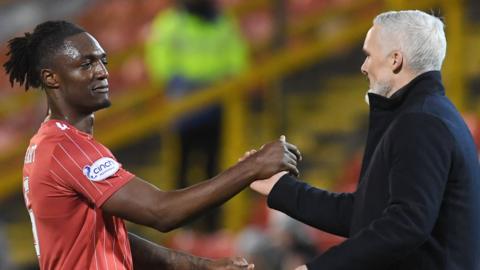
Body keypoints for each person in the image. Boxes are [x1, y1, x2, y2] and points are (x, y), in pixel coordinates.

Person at [3, 20, 301, 270]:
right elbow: (162, 212)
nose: (102, 71)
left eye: (103, 61)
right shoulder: (66, 147)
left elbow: (113, 238)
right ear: (51, 78)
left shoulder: (53, 143)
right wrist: (253, 166)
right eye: (87, 63)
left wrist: (201, 265)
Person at [250, 10, 480, 269]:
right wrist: (281, 188)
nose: (363, 67)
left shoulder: (421, 122)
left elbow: (406, 224)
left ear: (395, 59)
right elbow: (366, 214)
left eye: (369, 55)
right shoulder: (428, 115)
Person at [144, 0, 249, 231]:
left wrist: (228, 79)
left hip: (216, 99)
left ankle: (212, 225)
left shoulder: (222, 20)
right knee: (183, 162)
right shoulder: (171, 21)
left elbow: (237, 56)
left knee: (214, 165)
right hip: (184, 99)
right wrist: (173, 79)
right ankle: (182, 225)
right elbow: (158, 54)